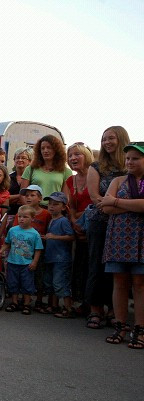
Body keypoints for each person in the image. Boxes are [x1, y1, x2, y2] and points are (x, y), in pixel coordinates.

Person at [84, 126, 129, 329]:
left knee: (117, 269)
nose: (107, 142)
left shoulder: (129, 165)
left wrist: (121, 209)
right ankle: (95, 309)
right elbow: (95, 197)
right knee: (96, 265)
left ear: (121, 139)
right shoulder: (97, 166)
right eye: (103, 139)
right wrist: (120, 207)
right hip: (100, 222)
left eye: (111, 138)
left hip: (125, 225)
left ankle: (114, 310)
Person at [101, 142, 144, 349]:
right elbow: (105, 207)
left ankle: (140, 328)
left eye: (135, 158)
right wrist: (134, 207)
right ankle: (121, 325)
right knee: (119, 281)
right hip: (119, 238)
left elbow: (113, 204)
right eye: (128, 158)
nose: (129, 161)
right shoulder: (118, 180)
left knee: (139, 283)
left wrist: (116, 202)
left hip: (142, 239)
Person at [65, 142, 94, 311]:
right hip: (78, 228)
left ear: (87, 156)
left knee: (93, 266)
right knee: (80, 264)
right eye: (70, 155)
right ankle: (83, 301)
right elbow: (71, 205)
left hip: (95, 225)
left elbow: (97, 201)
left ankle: (96, 304)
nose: (73, 158)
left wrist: (82, 219)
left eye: (77, 154)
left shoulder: (96, 174)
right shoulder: (71, 180)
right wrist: (75, 221)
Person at [0, 205, 44, 315]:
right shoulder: (13, 230)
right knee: (13, 282)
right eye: (19, 217)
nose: (21, 219)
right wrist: (2, 250)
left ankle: (26, 303)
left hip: (26, 263)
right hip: (13, 262)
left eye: (25, 217)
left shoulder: (34, 234)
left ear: (32, 218)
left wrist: (35, 262)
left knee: (27, 284)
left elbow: (38, 249)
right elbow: (8, 243)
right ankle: (14, 302)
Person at [41, 192, 75, 317]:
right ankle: (53, 305)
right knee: (49, 282)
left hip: (61, 258)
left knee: (60, 282)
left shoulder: (63, 221)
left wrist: (54, 237)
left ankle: (68, 308)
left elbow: (71, 236)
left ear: (63, 207)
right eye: (50, 204)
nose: (51, 206)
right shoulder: (51, 220)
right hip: (51, 257)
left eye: (55, 204)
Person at [19, 135, 72, 205]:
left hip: (54, 212)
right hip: (33, 211)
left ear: (56, 150)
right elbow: (22, 195)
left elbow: (65, 197)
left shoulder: (66, 171)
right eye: (42, 148)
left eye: (49, 148)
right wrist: (29, 210)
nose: (45, 151)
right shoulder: (30, 169)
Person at [8, 147, 33, 220]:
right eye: (17, 158)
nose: (20, 160)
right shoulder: (8, 178)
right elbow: (3, 198)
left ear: (29, 161)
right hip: (10, 213)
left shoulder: (33, 178)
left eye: (23, 158)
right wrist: (20, 196)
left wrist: (13, 198)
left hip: (28, 215)